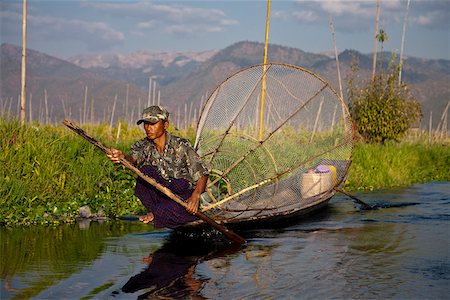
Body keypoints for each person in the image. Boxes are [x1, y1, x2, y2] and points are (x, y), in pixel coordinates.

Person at [107, 105, 209, 228]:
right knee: (145, 172)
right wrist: (122, 157)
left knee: (179, 185)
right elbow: (132, 159)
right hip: (164, 196)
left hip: (184, 199)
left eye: (153, 123)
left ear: (165, 125)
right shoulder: (143, 145)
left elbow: (202, 173)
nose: (148, 128)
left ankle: (160, 212)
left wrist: (195, 196)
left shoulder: (181, 145)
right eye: (145, 124)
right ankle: (157, 211)